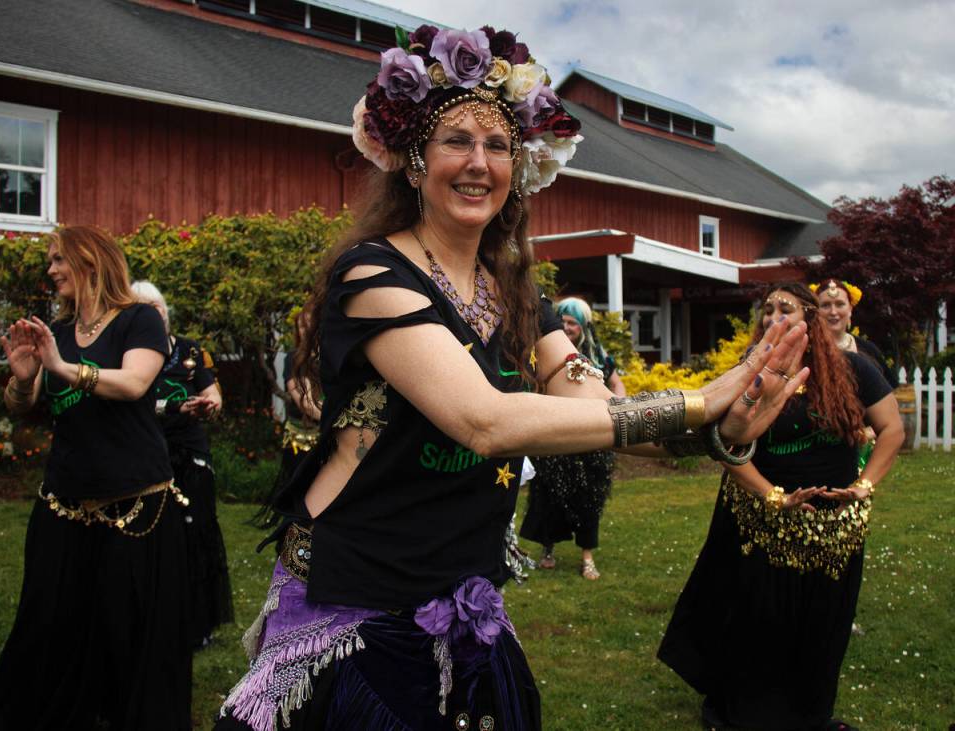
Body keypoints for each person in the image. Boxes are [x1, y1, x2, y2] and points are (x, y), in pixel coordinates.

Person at [216, 25, 809, 731]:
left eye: (497, 145)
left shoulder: (518, 296)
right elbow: (484, 421)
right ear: (412, 161)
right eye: (456, 142)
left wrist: (722, 428)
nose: (478, 163)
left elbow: (594, 410)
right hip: (362, 596)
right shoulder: (375, 273)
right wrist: (694, 402)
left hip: (461, 591)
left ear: (518, 167)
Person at [658, 282, 903, 731]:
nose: (772, 317)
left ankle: (810, 713)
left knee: (824, 620)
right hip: (764, 519)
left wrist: (864, 486)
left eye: (784, 309)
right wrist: (775, 497)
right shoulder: (748, 374)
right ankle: (744, 713)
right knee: (759, 620)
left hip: (834, 527)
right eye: (766, 310)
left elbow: (892, 429)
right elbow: (728, 449)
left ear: (809, 318)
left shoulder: (854, 370)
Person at [0, 226, 193, 729]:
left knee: (126, 628)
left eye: (60, 259)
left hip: (135, 505)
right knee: (50, 621)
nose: (51, 269)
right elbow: (26, 405)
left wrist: (64, 366)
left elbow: (135, 382)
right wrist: (21, 376)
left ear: (91, 262)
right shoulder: (54, 334)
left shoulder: (138, 320)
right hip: (64, 503)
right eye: (51, 260)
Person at [131, 280, 234, 647]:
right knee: (154, 540)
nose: (153, 313)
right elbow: (133, 402)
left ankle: (197, 623)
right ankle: (152, 619)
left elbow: (214, 395)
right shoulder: (130, 354)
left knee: (197, 534)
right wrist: (174, 407)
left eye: (157, 307)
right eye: (143, 307)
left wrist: (208, 404)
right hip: (146, 457)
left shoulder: (189, 351)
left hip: (190, 456)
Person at [520, 297, 625, 580]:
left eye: (572, 323)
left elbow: (616, 384)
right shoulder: (543, 354)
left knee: (589, 500)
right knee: (548, 496)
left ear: (584, 326)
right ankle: (548, 549)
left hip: (592, 441)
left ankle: (587, 557)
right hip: (555, 436)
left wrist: (618, 411)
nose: (566, 328)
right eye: (562, 321)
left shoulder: (598, 356)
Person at [250, 306, 322, 530]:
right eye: (301, 325)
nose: (306, 328)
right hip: (300, 438)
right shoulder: (294, 359)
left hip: (328, 437)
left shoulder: (332, 357)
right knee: (299, 495)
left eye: (310, 324)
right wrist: (337, 417)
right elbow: (304, 401)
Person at [812, 278, 898, 387]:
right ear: (816, 311)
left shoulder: (868, 350)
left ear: (850, 309)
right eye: (825, 305)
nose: (833, 312)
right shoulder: (807, 348)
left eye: (839, 304)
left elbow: (889, 392)